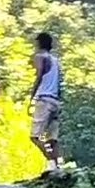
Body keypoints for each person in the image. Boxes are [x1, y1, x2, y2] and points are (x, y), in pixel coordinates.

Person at [27, 32, 62, 174]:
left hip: (44, 99)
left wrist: (32, 97)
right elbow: (60, 82)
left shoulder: (40, 57)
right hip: (56, 101)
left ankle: (51, 162)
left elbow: (40, 75)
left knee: (35, 136)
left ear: (39, 43)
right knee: (52, 137)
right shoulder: (56, 60)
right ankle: (59, 164)